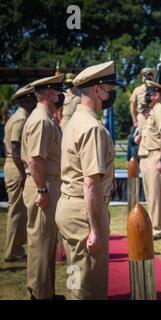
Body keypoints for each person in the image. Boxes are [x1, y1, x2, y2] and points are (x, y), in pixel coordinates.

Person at [55, 61, 116, 299]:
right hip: (84, 210)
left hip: (69, 206)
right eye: (108, 88)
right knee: (90, 287)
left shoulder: (74, 121)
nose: (111, 93)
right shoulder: (92, 127)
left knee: (75, 279)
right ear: (97, 90)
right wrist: (94, 229)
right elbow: (91, 183)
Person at [21, 73, 65, 300]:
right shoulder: (41, 120)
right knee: (40, 242)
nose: (61, 95)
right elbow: (35, 160)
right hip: (43, 184)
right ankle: (38, 294)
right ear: (49, 93)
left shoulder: (45, 118)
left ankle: (45, 291)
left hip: (47, 183)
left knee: (47, 242)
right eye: (58, 91)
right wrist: (42, 190)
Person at [3, 84, 36, 262]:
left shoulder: (17, 117)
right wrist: (23, 172)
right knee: (16, 211)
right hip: (16, 167)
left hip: (13, 166)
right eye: (33, 98)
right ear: (27, 100)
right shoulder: (21, 119)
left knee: (18, 210)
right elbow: (16, 149)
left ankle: (15, 248)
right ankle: (12, 251)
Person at [135, 81, 161, 239]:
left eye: (149, 93)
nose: (146, 97)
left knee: (157, 198)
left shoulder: (160, 109)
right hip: (147, 156)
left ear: (156, 95)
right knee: (152, 197)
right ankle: (156, 227)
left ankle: (158, 230)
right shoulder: (153, 110)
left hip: (156, 156)